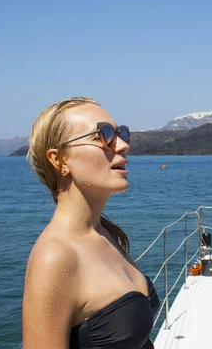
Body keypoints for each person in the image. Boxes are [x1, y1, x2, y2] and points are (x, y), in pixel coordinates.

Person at [22, 97, 159, 349]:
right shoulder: (55, 257)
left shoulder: (106, 232)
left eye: (121, 133)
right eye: (103, 134)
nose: (122, 145)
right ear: (60, 160)